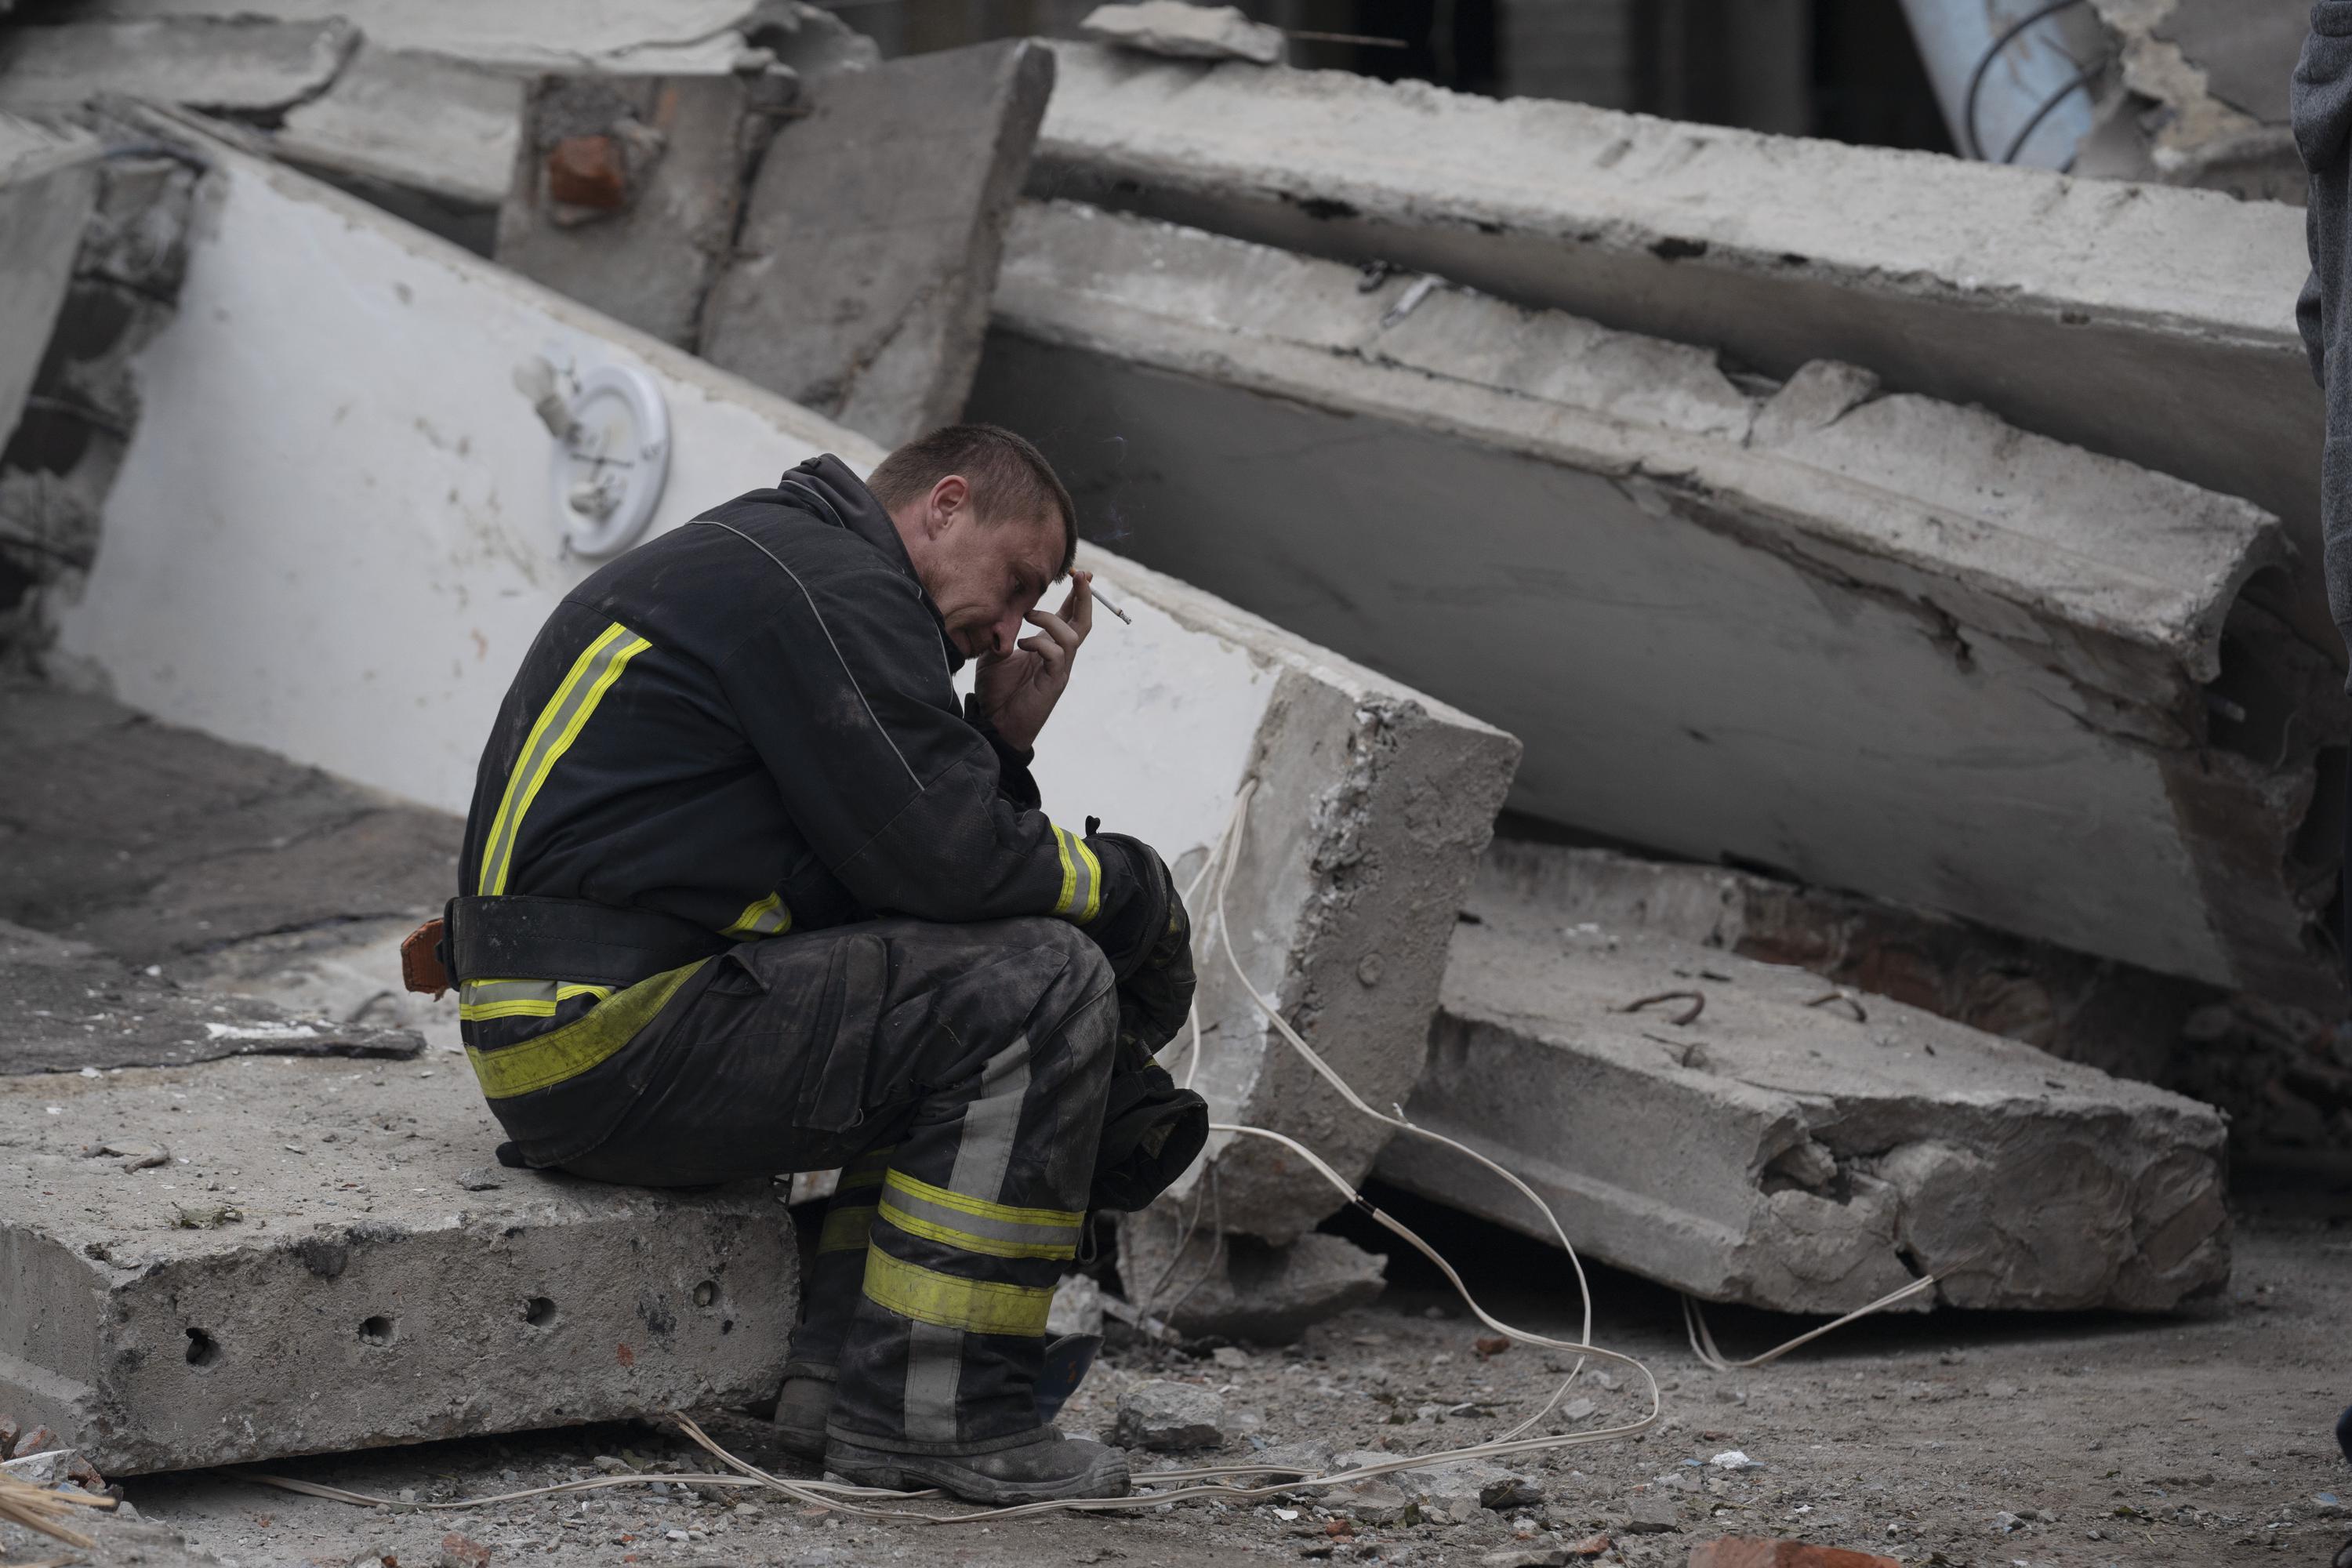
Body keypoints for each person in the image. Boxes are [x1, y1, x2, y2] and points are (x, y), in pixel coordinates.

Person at [438, 425, 1205, 1504]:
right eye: (1020, 581)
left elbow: (904, 893)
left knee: (970, 1001)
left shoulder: (786, 567)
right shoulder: (832, 587)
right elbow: (955, 860)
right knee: (1041, 986)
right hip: (607, 1033)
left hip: (577, 1029)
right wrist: (1134, 893)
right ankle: (943, 1421)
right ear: (944, 506)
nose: (1016, 624)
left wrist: (1001, 742)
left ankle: (839, 1391)